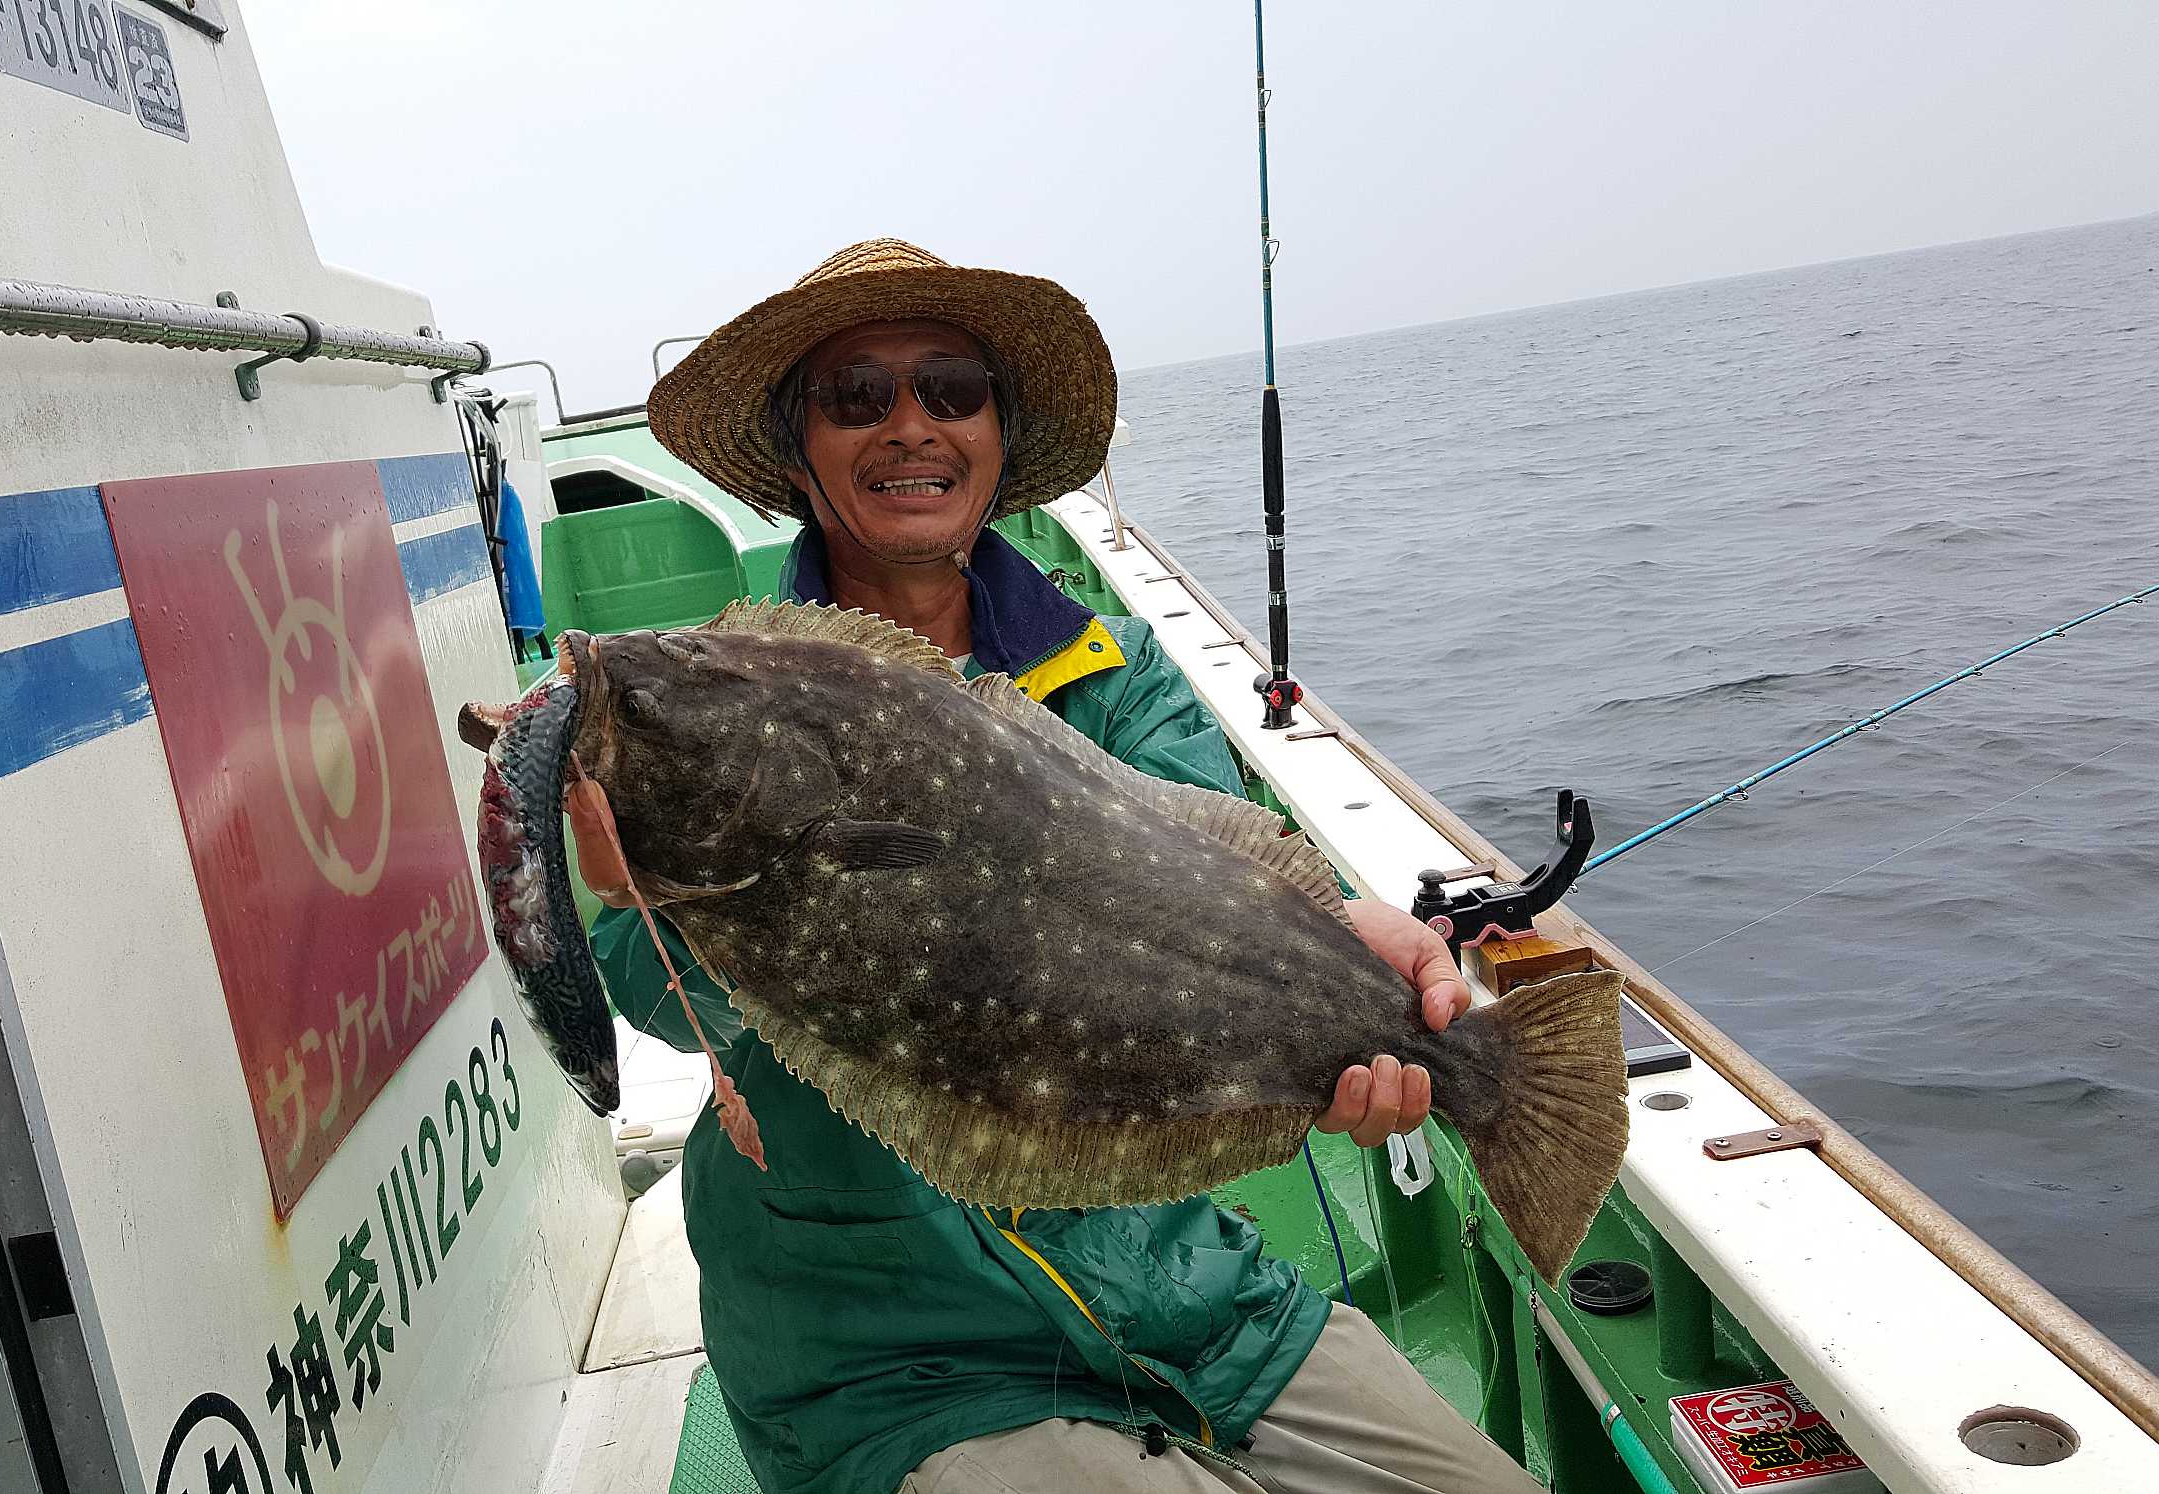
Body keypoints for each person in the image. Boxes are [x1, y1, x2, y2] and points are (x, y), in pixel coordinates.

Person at [596, 239, 1538, 1493]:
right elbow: (649, 993)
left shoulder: (1118, 673)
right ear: (797, 449)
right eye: (857, 396)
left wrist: (1350, 967)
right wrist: (653, 896)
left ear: (997, 432)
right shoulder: (708, 694)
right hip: (888, 1356)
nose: (910, 425)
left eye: (950, 388)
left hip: (1190, 1296)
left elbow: (1213, 899)